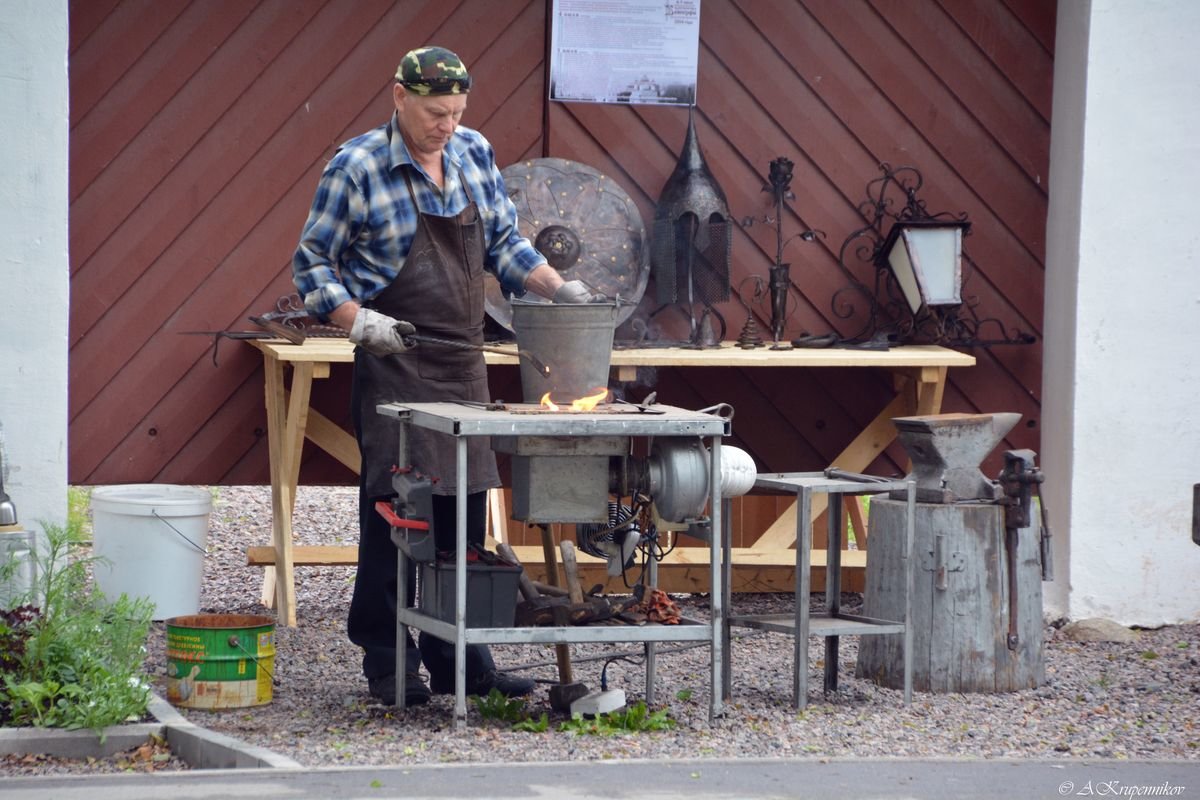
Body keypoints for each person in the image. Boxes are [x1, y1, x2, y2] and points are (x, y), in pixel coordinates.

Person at [292, 46, 595, 706]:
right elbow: (313, 266)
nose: (447, 127)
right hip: (395, 362)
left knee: (462, 520)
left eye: (457, 113)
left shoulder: (472, 154)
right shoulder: (358, 167)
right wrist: (358, 323)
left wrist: (557, 288)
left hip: (462, 362)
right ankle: (386, 658)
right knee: (399, 517)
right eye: (435, 113)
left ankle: (462, 663)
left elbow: (506, 246)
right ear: (398, 96)